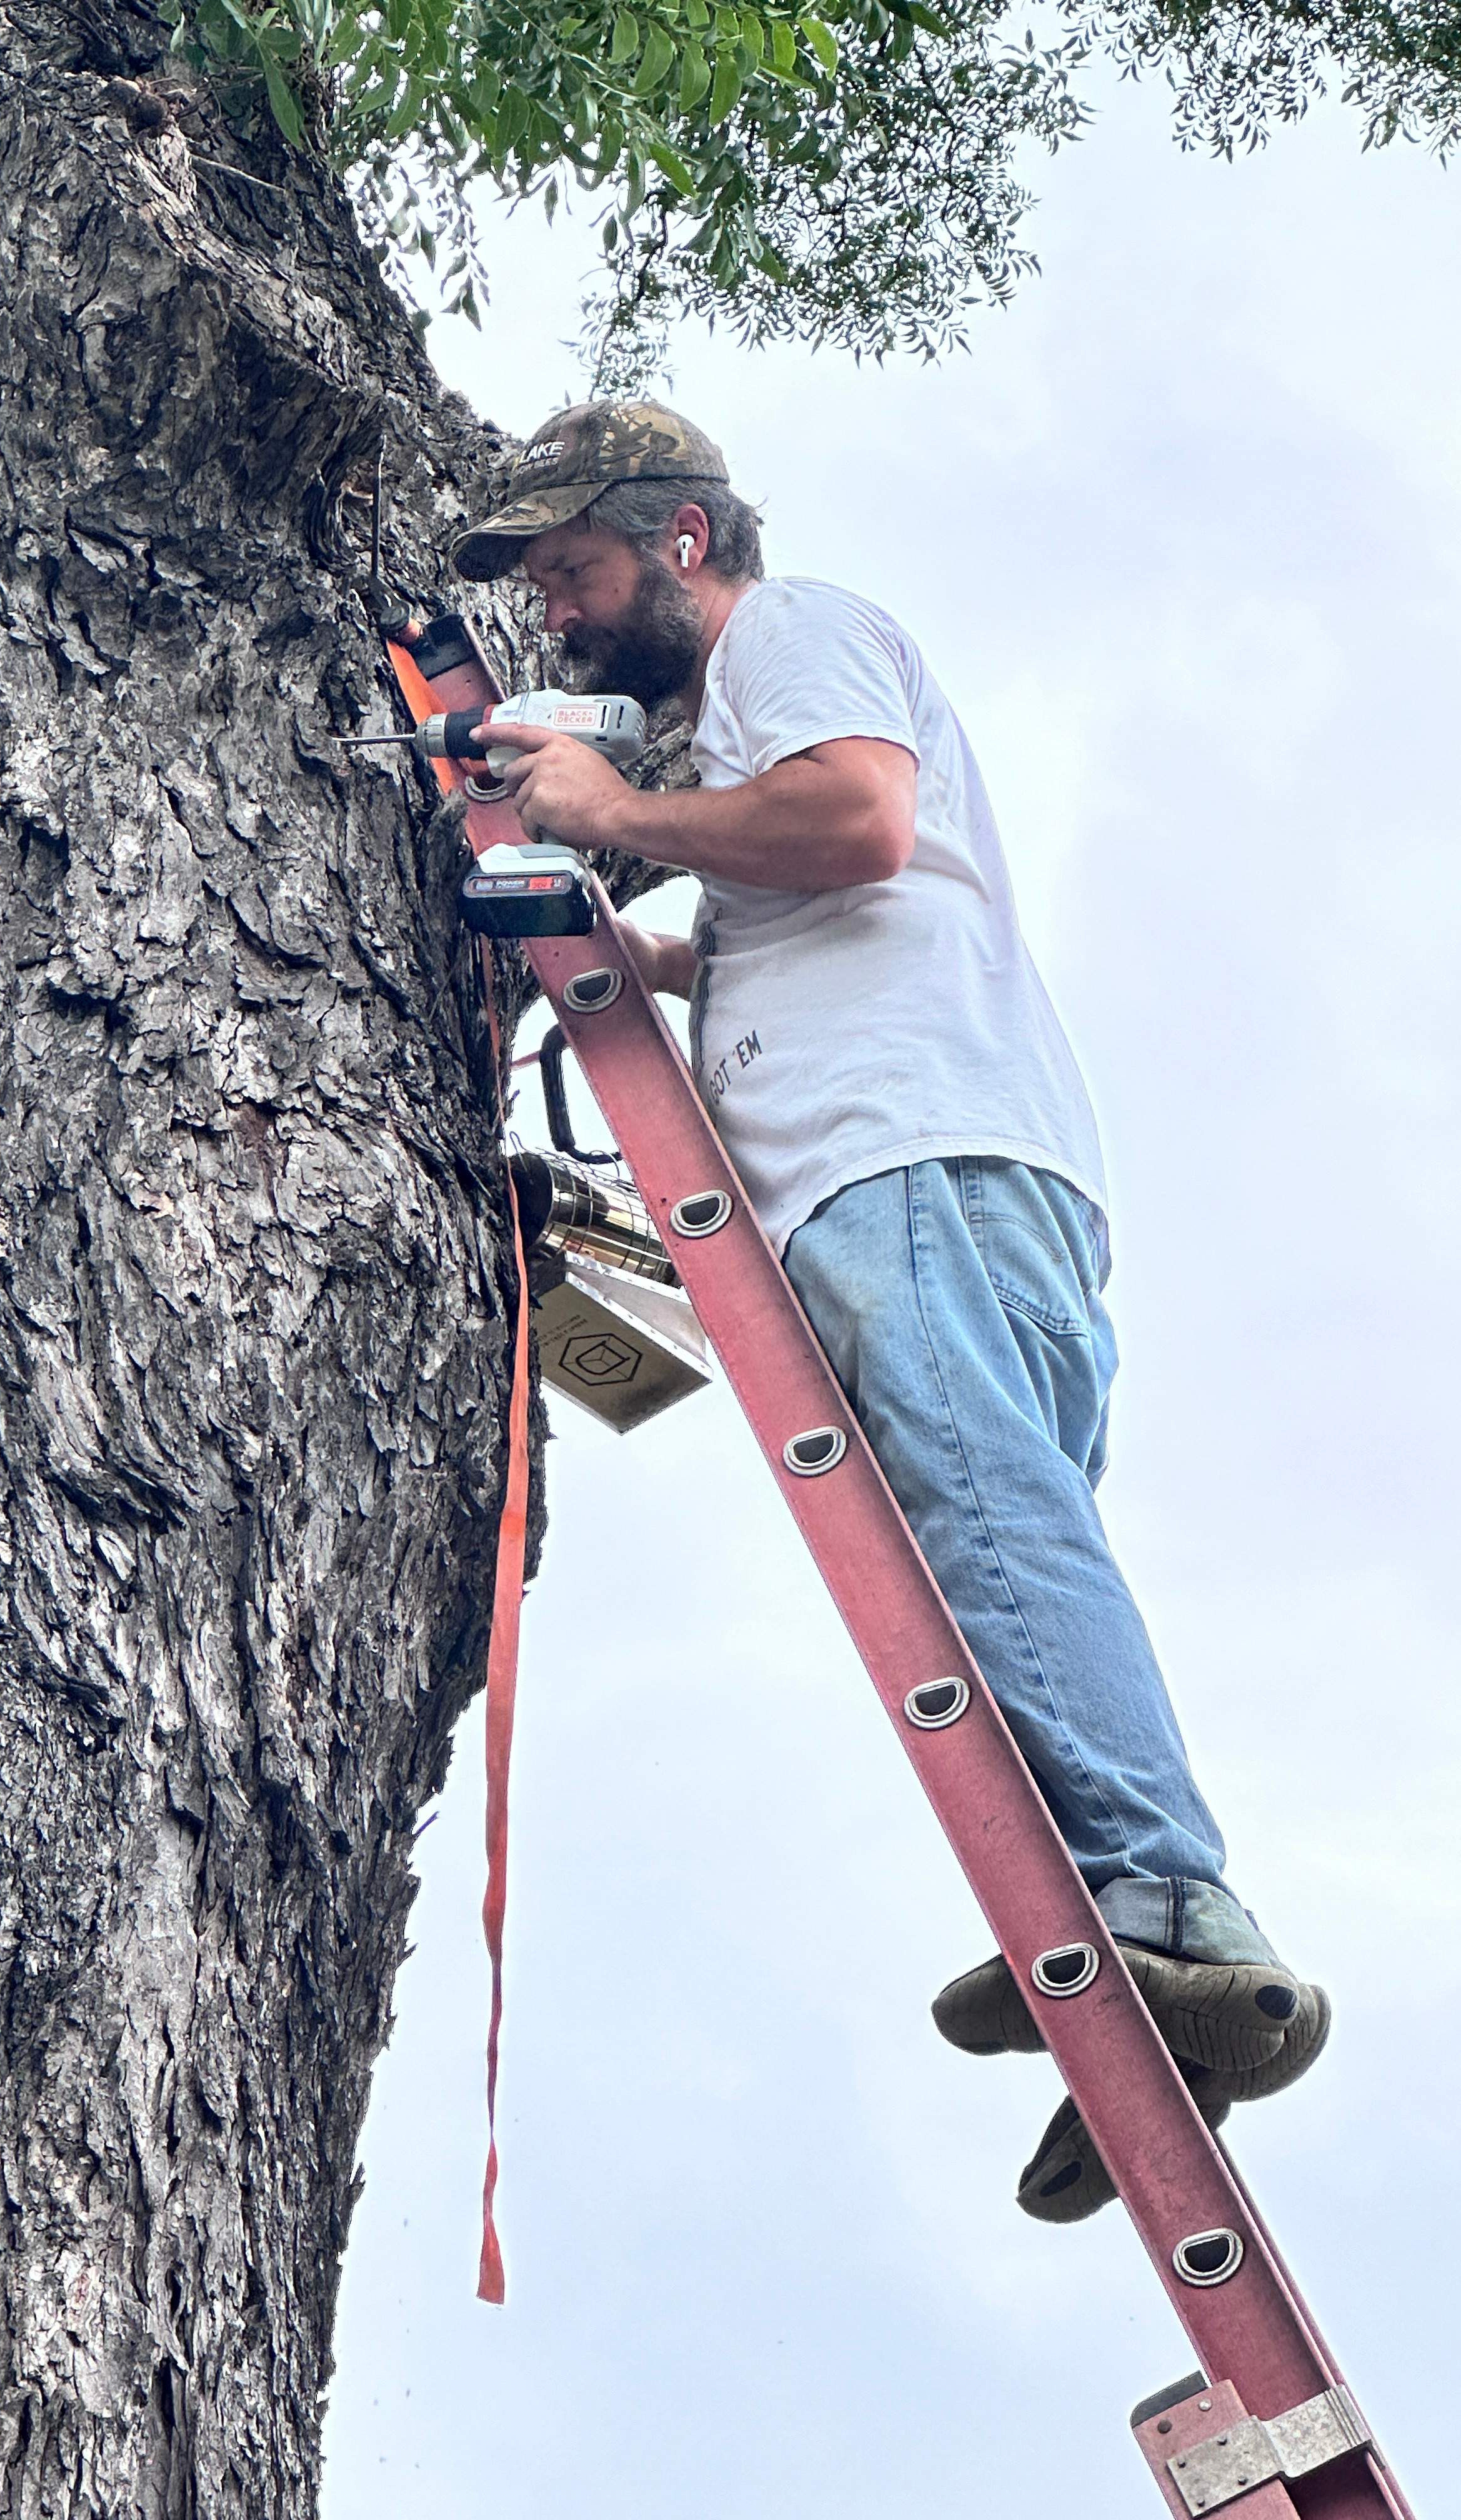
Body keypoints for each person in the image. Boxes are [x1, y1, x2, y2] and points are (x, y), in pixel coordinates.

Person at [449, 400, 1328, 2222]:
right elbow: (832, 890)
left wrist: (616, 812)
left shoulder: (796, 628)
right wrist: (673, 945)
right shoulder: (751, 715)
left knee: (993, 1531)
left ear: (684, 541)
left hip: (908, 1167)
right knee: (990, 1563)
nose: (560, 613)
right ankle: (1149, 1998)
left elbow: (858, 822)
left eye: (579, 570)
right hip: (925, 1173)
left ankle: (1173, 1918)